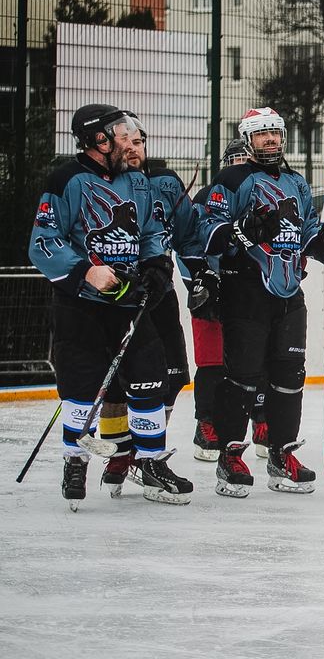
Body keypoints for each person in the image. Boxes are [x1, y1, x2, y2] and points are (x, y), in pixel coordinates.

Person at [28, 103, 194, 508]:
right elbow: (43, 242)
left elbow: (153, 230)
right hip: (81, 305)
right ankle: (75, 460)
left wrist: (156, 264)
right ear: (98, 140)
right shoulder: (66, 179)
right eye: (119, 131)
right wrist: (86, 271)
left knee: (149, 380)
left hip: (129, 302)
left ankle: (151, 460)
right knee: (81, 388)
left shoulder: (136, 180)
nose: (128, 137)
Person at [194, 107, 324, 498]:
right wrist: (241, 229)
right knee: (243, 375)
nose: (271, 141)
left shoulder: (296, 181)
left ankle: (281, 453)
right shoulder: (232, 179)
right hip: (245, 289)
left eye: (276, 134)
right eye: (262, 134)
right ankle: (230, 456)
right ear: (248, 139)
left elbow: (307, 231)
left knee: (289, 376)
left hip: (288, 292)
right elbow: (207, 231)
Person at [95, 112, 207, 497]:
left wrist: (200, 276)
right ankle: (121, 453)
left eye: (139, 142)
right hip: (115, 296)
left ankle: (148, 455)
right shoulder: (103, 183)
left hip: (158, 293)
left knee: (174, 375)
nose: (134, 150)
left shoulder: (164, 181)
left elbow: (189, 234)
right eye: (127, 144)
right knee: (115, 379)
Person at [188, 139, 268, 463]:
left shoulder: (266, 194)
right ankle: (206, 423)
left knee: (257, 359)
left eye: (245, 159)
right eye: (234, 159)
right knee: (211, 360)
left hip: (250, 290)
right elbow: (189, 243)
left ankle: (262, 422)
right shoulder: (207, 198)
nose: (240, 164)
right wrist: (199, 282)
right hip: (213, 287)